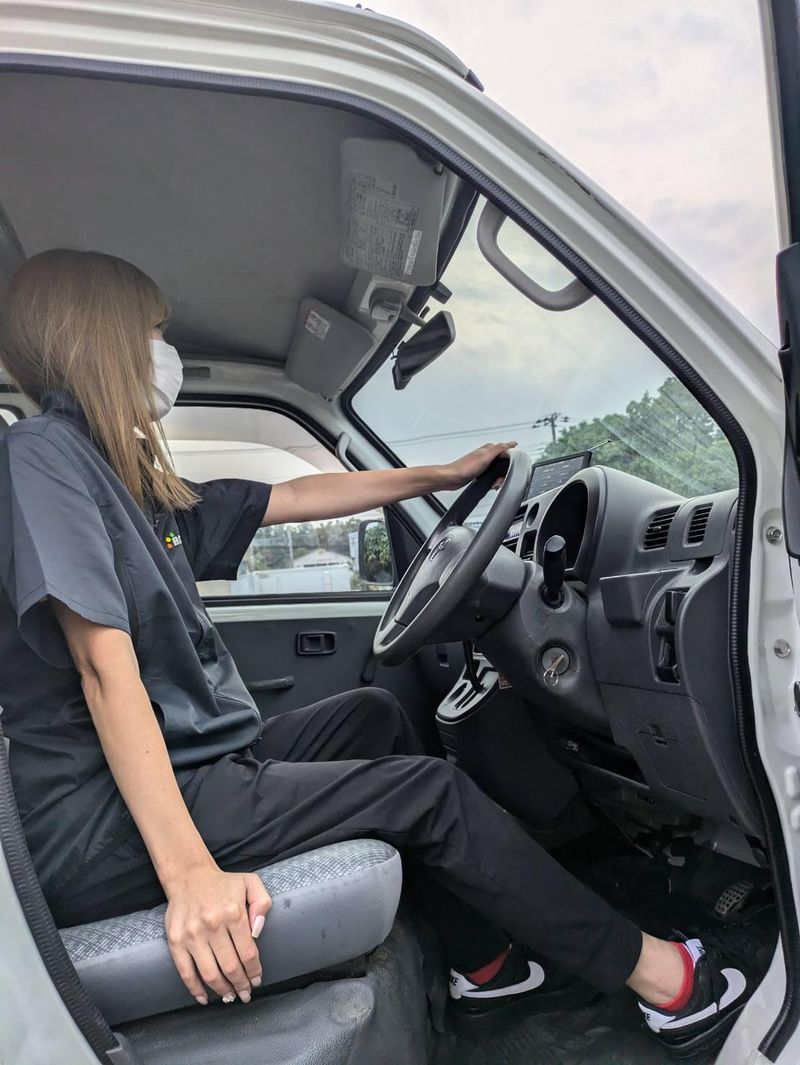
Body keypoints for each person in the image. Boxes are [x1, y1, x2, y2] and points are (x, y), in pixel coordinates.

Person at [0, 249, 750, 1059]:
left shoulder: (134, 486)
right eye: (154, 332)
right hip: (101, 820)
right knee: (431, 793)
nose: (163, 351)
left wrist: (443, 474)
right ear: (102, 338)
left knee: (374, 713)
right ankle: (667, 982)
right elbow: (102, 668)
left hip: (196, 763)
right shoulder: (40, 455)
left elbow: (297, 495)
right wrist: (190, 877)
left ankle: (485, 966)